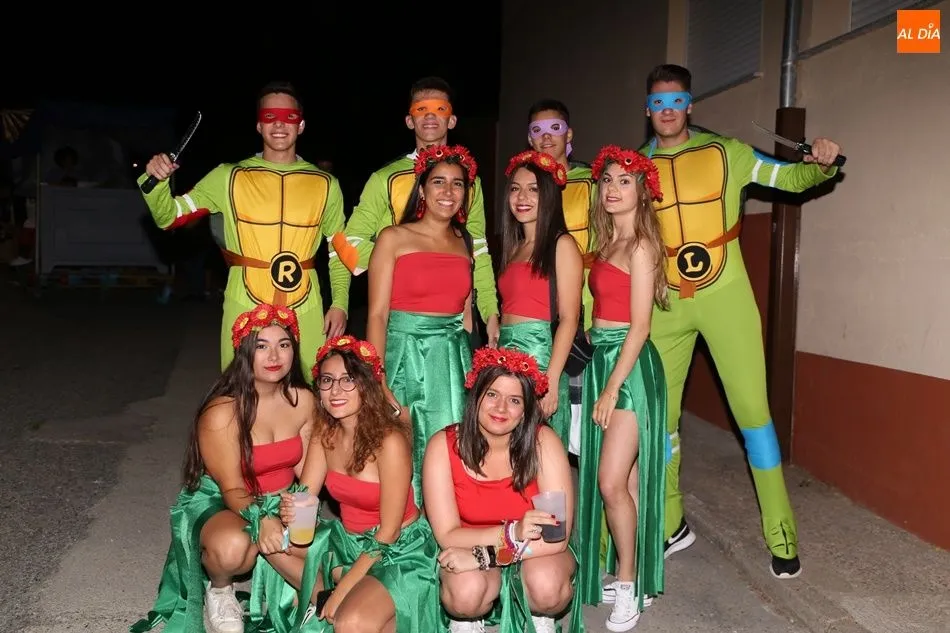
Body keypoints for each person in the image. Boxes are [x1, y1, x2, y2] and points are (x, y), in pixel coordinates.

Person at [641, 63, 842, 578]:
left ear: (690, 105)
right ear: (648, 110)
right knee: (659, 421)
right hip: (664, 303)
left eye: (676, 101)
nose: (668, 110)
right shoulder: (634, 167)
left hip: (725, 295)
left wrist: (820, 163)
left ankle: (781, 532)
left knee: (753, 413)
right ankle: (669, 523)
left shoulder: (726, 152)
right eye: (659, 102)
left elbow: (790, 177)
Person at [138, 80, 350, 378]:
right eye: (270, 117)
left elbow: (338, 249)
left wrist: (340, 303)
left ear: (301, 125)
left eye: (288, 117)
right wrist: (157, 182)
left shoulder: (326, 183)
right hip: (245, 299)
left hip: (306, 303)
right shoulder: (228, 176)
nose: (279, 124)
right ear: (259, 126)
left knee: (311, 392)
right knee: (239, 390)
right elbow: (169, 217)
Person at [131, 303, 316, 633]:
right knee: (233, 550)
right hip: (226, 501)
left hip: (281, 498)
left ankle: (293, 585)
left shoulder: (303, 400)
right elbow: (232, 487)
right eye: (262, 346)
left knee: (327, 555)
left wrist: (300, 510)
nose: (275, 356)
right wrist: (263, 519)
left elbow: (309, 472)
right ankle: (219, 589)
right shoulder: (222, 412)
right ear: (245, 353)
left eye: (284, 344)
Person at [277, 335, 442, 632]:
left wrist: (341, 593)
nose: (335, 390)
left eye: (348, 380)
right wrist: (290, 512)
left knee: (350, 622)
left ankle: (350, 598)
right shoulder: (324, 433)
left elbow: (389, 532)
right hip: (348, 543)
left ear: (367, 385)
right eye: (327, 381)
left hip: (398, 550)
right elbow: (305, 498)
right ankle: (325, 596)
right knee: (270, 539)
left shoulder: (390, 441)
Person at [575, 145, 670, 632]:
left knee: (610, 481)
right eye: (607, 180)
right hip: (603, 362)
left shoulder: (641, 248)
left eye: (624, 181)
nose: (612, 188)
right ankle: (633, 575)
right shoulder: (609, 242)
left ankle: (629, 584)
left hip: (629, 372)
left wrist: (611, 389)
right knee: (626, 483)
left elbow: (640, 327)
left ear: (643, 191)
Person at [331, 76, 499, 346]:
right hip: (401, 317)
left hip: (454, 318)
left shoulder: (470, 181)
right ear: (410, 121)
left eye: (439, 109)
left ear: (452, 120)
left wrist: (490, 311)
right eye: (421, 109)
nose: (430, 116)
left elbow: (478, 249)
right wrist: (403, 268)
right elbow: (348, 242)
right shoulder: (384, 178)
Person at [422, 346, 578, 633]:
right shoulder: (442, 446)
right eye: (492, 394)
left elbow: (556, 538)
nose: (501, 408)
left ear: (526, 410)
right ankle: (468, 618)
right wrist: (510, 534)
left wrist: (486, 555)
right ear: (476, 397)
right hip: (469, 544)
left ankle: (538, 613)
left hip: (536, 550)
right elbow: (447, 535)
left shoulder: (544, 443)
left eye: (514, 400)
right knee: (464, 595)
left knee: (548, 588)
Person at [366, 144, 481, 506]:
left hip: (451, 360)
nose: (448, 191)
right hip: (405, 356)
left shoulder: (463, 241)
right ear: (422, 188)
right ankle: (407, 529)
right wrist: (377, 376)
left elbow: (465, 311)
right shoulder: (393, 237)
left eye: (458, 184)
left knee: (451, 448)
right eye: (438, 182)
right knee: (405, 448)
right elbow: (377, 314)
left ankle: (448, 526)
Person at [496, 149, 583, 449]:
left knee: (536, 451)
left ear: (549, 196)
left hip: (540, 356)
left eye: (533, 189)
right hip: (505, 355)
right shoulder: (514, 247)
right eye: (515, 189)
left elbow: (569, 318)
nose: (522, 197)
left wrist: (551, 380)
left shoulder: (562, 244)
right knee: (506, 448)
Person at [526, 99, 597, 457]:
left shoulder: (592, 182)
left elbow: (607, 245)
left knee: (583, 417)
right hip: (539, 312)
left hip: (583, 309)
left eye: (555, 128)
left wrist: (595, 312)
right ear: (529, 139)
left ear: (569, 135)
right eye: (537, 130)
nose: (546, 137)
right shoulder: (525, 185)